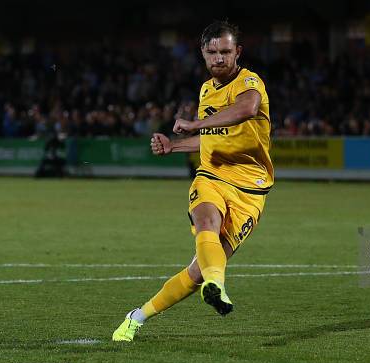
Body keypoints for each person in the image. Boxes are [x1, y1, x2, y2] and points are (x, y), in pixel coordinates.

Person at [112, 20, 273, 342]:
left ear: (237, 52)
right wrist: (175, 147)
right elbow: (211, 138)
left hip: (251, 187)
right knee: (206, 220)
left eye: (225, 52)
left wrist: (195, 123)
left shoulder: (249, 82)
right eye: (212, 52)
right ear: (202, 53)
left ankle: (137, 316)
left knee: (196, 272)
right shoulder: (205, 90)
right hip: (212, 174)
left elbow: (246, 109)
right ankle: (218, 285)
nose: (218, 58)